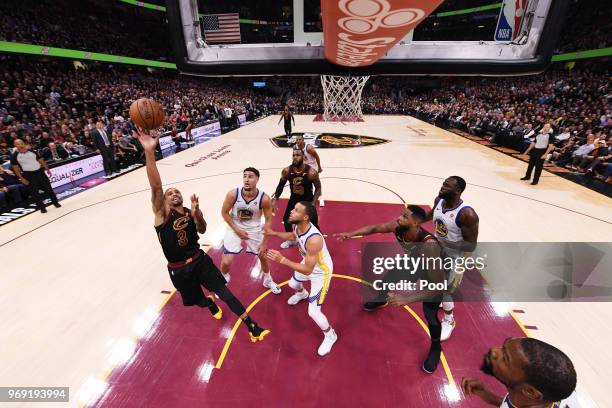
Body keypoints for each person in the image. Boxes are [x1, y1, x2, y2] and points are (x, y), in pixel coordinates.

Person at [135, 127, 269, 343]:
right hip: (179, 269)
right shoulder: (161, 214)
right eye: (170, 193)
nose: (174, 194)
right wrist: (150, 152)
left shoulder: (189, 211)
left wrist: (198, 215)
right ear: (165, 200)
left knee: (225, 292)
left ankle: (251, 325)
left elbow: (203, 230)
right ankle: (209, 304)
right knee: (197, 300)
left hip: (200, 260)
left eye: (177, 191)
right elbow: (156, 187)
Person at [335, 205, 447, 373]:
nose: (399, 218)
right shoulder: (398, 227)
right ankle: (381, 300)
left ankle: (436, 348)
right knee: (389, 278)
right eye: (401, 215)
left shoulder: (429, 246)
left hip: (436, 274)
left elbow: (439, 286)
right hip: (415, 261)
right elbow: (375, 228)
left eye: (405, 216)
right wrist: (351, 234)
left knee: (430, 315)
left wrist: (407, 299)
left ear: (416, 223)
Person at [265, 201, 338, 356]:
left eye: (296, 210)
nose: (291, 211)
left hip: (320, 273)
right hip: (309, 263)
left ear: (305, 217)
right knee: (293, 283)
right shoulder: (297, 226)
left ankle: (330, 334)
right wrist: (274, 233)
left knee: (313, 312)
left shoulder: (314, 239)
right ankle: (302, 294)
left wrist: (282, 260)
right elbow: (294, 236)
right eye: (293, 208)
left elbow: (308, 269)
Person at [427, 176, 479, 342]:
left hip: (456, 257)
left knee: (446, 290)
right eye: (443, 184)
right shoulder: (439, 200)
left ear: (457, 191)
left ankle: (450, 320)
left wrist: (442, 242)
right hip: (438, 251)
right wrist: (415, 220)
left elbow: (470, 246)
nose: (442, 187)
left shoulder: (467, 214)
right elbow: (432, 215)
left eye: (446, 186)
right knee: (435, 284)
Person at [462, 337, 577, 407]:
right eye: (503, 348)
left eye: (505, 359)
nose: (494, 351)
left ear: (530, 392)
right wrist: (490, 397)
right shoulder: (554, 392)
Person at [220, 167, 281, 294]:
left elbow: (269, 220)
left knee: (263, 256)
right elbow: (224, 213)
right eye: (245, 176)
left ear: (257, 179)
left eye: (250, 176)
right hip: (234, 227)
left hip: (254, 229)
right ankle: (223, 278)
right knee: (226, 261)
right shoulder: (233, 194)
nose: (247, 179)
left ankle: (268, 280)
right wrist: (237, 230)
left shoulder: (264, 199)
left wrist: (264, 241)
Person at [271, 148, 322, 248]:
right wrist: (275, 199)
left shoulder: (311, 172)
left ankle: (318, 242)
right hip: (294, 199)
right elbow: (280, 185)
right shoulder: (286, 171)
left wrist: (313, 202)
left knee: (313, 223)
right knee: (286, 220)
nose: (295, 157)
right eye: (293, 155)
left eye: (297, 155)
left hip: (307, 201)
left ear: (304, 157)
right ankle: (292, 240)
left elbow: (318, 188)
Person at [10, 139, 60, 213]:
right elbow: (15, 168)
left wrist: (47, 169)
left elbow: (40, 160)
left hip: (40, 172)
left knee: (49, 188)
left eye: (21, 143)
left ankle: (55, 202)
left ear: (24, 143)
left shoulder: (32, 151)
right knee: (35, 193)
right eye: (18, 144)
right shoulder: (14, 156)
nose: (20, 145)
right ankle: (42, 208)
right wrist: (21, 178)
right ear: (15, 145)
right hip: (28, 175)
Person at [293, 134, 325, 207]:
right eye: (297, 139)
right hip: (303, 166)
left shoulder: (309, 148)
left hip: (312, 166)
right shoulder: (295, 147)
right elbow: (295, 157)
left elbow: (317, 157)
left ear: (303, 140)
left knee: (316, 183)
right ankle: (305, 198)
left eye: (299, 139)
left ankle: (320, 197)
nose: (298, 141)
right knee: (304, 183)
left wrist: (319, 167)